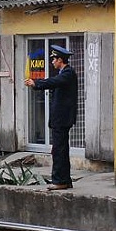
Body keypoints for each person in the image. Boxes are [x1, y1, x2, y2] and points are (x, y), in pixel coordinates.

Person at [24, 44, 77, 190]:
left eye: (54, 59)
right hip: (60, 120)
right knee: (60, 150)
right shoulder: (64, 73)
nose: (52, 62)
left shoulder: (67, 74)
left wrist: (36, 83)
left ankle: (60, 181)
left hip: (62, 120)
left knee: (59, 151)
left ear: (60, 60)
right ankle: (64, 179)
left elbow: (52, 82)